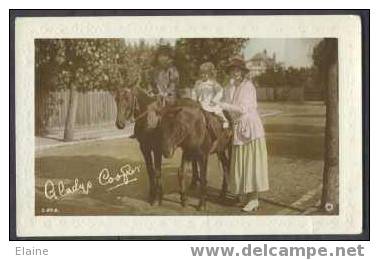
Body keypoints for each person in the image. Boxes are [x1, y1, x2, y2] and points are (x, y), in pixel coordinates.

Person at [215, 55, 269, 212]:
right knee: (242, 163)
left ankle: (254, 199)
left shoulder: (248, 87)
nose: (235, 73)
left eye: (237, 70)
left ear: (243, 72)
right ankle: (247, 196)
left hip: (250, 128)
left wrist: (223, 104)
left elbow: (242, 108)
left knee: (252, 163)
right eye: (232, 70)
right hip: (239, 128)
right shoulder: (231, 87)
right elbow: (225, 105)